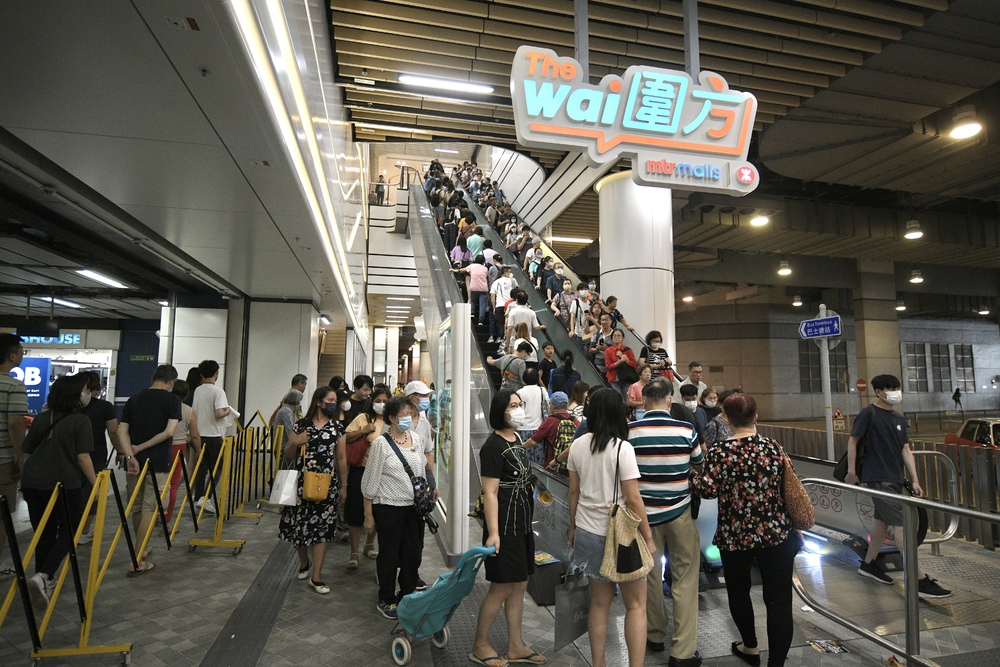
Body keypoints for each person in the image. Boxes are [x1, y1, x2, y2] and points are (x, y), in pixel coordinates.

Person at [689, 393, 802, 667]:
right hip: (776, 534)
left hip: (734, 535)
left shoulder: (719, 453)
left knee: (739, 593)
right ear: (756, 416)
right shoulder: (773, 447)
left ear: (727, 419)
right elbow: (789, 484)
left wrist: (692, 477)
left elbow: (708, 490)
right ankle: (776, 663)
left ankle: (750, 647)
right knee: (779, 601)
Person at [567, 389, 655, 667]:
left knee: (599, 603)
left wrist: (573, 528)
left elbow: (573, 492)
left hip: (587, 530)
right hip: (621, 537)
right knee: (636, 605)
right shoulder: (622, 448)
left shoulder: (577, 445)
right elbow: (633, 498)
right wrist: (648, 536)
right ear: (619, 414)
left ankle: (599, 663)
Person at [846, 374, 951, 598]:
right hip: (877, 477)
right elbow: (853, 441)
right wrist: (852, 471)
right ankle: (918, 579)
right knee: (901, 525)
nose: (895, 392)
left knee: (881, 522)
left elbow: (905, 450)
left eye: (896, 388)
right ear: (878, 392)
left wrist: (915, 479)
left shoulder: (899, 418)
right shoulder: (868, 414)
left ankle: (869, 564)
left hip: (894, 478)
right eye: (889, 388)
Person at [628, 378, 703, 665]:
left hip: (643, 516)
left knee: (649, 575)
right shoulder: (685, 429)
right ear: (670, 401)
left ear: (644, 402)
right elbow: (698, 463)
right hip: (679, 512)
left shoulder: (630, 432)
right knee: (685, 576)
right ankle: (682, 651)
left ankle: (655, 634)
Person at [472, 389, 547, 667]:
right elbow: (490, 493)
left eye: (520, 404)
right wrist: (493, 533)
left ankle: (516, 645)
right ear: (500, 411)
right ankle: (480, 645)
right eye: (512, 405)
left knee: (520, 584)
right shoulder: (492, 446)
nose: (518, 409)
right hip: (503, 527)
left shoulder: (516, 438)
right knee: (501, 587)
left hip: (522, 524)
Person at [21, 374, 97, 608]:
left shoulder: (42, 418)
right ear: (75, 395)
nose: (87, 394)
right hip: (64, 483)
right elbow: (83, 457)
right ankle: (43, 575)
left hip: (33, 483)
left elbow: (26, 453)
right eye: (84, 390)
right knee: (70, 530)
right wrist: (96, 484)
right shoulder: (81, 421)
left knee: (43, 531)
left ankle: (44, 580)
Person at [362, 396, 430, 620]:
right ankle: (386, 598)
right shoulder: (381, 444)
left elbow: (420, 470)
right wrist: (368, 514)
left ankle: (407, 595)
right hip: (388, 507)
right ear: (392, 418)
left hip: (414, 508)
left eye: (411, 414)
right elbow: (370, 482)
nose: (408, 419)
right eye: (404, 415)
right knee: (389, 555)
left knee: (412, 553)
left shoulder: (416, 439)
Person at [279, 386, 346, 595]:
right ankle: (303, 562)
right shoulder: (301, 425)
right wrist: (296, 442)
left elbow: (341, 458)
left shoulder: (338, 428)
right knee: (299, 528)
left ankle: (316, 576)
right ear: (318, 402)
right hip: (301, 483)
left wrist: (344, 485)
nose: (333, 404)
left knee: (323, 530)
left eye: (334, 401)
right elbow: (288, 454)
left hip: (327, 485)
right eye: (329, 400)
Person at [118, 364, 182, 576]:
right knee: (150, 507)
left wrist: (130, 455)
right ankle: (137, 560)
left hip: (134, 463)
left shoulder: (134, 399)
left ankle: (142, 548)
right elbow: (169, 432)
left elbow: (122, 431)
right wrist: (141, 447)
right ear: (172, 382)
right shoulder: (173, 400)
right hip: (158, 461)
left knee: (136, 505)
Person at [343, 385, 389, 568]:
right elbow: (345, 437)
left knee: (378, 510)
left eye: (385, 401)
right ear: (372, 402)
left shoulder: (393, 421)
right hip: (360, 470)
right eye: (378, 401)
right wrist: (364, 431)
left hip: (383, 473)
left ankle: (369, 544)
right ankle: (354, 552)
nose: (381, 404)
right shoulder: (363, 418)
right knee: (356, 510)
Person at [403, 380, 437, 589]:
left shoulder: (424, 419)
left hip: (419, 488)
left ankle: (412, 574)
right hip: (399, 485)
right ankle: (391, 572)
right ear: (411, 397)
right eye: (422, 396)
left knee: (417, 535)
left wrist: (432, 484)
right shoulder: (399, 420)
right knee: (399, 533)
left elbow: (428, 453)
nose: (426, 399)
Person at [0, 334, 27, 574]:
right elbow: (15, 423)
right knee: (1, 515)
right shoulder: (14, 385)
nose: (21, 355)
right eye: (20, 351)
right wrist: (20, 456)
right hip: (3, 460)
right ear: (11, 356)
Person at [191, 360, 230, 515]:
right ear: (217, 373)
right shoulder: (218, 391)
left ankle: (198, 498)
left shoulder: (198, 390)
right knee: (218, 468)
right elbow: (219, 413)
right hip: (214, 435)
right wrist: (228, 410)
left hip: (199, 434)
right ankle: (206, 497)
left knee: (202, 468)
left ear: (201, 374)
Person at [164, 379, 200, 524]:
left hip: (161, 446)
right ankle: (166, 519)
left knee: (158, 483)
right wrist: (199, 450)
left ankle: (152, 515)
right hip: (178, 447)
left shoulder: (163, 407)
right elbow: (195, 435)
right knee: (173, 484)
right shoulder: (188, 411)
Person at [525, 391, 577, 468]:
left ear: (552, 406)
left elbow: (533, 442)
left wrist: (521, 446)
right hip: (571, 465)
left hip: (552, 465)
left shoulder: (550, 421)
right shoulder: (575, 421)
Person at [516, 369, 548, 467]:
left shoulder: (519, 392)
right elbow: (547, 405)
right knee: (538, 459)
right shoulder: (542, 390)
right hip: (539, 428)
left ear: (524, 379)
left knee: (523, 458)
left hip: (522, 428)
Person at [452, 255, 490, 326]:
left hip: (474, 288)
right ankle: (480, 321)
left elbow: (462, 270)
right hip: (483, 289)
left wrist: (454, 270)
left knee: (472, 300)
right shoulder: (485, 269)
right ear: (483, 262)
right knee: (482, 304)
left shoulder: (472, 266)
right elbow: (488, 278)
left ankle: (472, 313)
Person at [604, 328, 637, 401]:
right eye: (614, 336)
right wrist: (620, 361)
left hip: (626, 379)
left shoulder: (628, 350)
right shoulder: (608, 351)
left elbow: (634, 365)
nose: (616, 337)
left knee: (627, 401)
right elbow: (608, 367)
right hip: (614, 380)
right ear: (612, 338)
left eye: (619, 335)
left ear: (623, 338)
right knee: (617, 400)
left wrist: (626, 360)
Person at [273, 389, 303, 465]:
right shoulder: (286, 411)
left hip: (283, 446)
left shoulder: (287, 410)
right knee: (286, 469)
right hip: (284, 447)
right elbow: (290, 430)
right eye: (300, 399)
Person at [489, 265, 516, 344]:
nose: (511, 274)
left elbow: (492, 295)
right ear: (505, 273)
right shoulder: (512, 281)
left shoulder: (496, 282)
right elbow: (516, 290)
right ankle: (508, 339)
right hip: (510, 305)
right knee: (510, 323)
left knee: (500, 323)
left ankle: (501, 338)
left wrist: (494, 307)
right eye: (510, 272)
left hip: (500, 305)